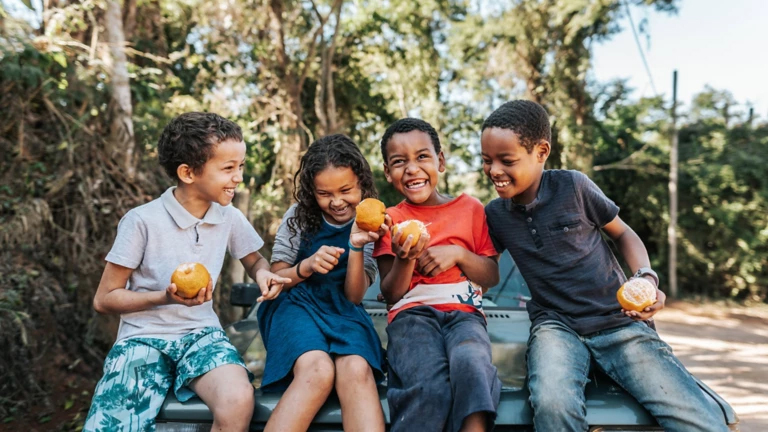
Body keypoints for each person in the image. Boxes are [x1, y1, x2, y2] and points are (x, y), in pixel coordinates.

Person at [481, 99, 728, 432]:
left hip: (617, 321)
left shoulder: (574, 187)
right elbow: (484, 271)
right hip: (556, 327)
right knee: (553, 406)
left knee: (697, 417)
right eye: (486, 160)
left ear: (541, 152)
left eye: (506, 160)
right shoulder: (496, 215)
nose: (494, 170)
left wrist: (647, 279)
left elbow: (624, 233)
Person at [84, 112, 290, 432]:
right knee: (112, 424)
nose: (238, 177)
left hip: (201, 335)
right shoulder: (141, 222)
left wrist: (262, 274)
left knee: (238, 399)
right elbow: (105, 298)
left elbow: (255, 261)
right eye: (228, 168)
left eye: (241, 166)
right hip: (143, 339)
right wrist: (165, 297)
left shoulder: (229, 217)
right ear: (188, 172)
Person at [373, 118, 501, 432]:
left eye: (422, 157)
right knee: (428, 383)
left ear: (440, 161)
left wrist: (458, 254)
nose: (412, 168)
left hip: (465, 315)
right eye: (400, 162)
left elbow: (491, 275)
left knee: (471, 367)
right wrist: (406, 259)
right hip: (411, 317)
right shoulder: (391, 219)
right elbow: (391, 294)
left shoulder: (470, 208)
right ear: (389, 172)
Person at [256, 134, 387, 432]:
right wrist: (306, 266)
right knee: (317, 370)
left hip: (343, 308)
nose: (337, 201)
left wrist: (355, 246)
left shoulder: (372, 221)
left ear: (362, 184)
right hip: (295, 304)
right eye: (324, 193)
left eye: (346, 190)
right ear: (311, 191)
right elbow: (276, 279)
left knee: (355, 368)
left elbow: (354, 296)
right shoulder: (299, 217)